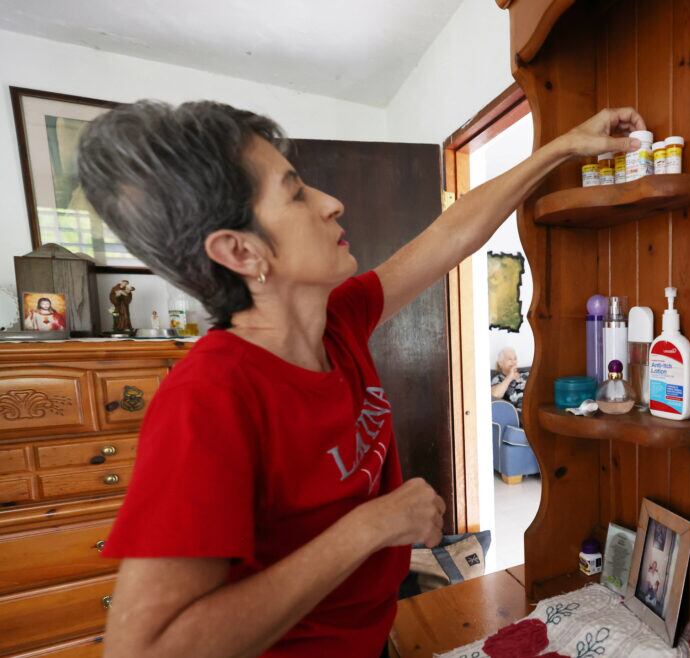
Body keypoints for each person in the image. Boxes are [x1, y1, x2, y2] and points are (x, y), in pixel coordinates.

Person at [76, 99, 645, 658]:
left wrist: (564, 146)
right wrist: (366, 529)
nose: (331, 202)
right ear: (241, 252)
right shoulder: (208, 398)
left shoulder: (338, 322)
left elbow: (450, 237)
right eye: (296, 193)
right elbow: (146, 648)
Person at [490, 347, 527, 411]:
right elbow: (495, 395)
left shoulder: (526, 374)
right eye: (509, 359)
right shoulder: (498, 379)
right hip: (519, 414)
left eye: (515, 359)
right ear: (500, 363)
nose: (513, 362)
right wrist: (510, 376)